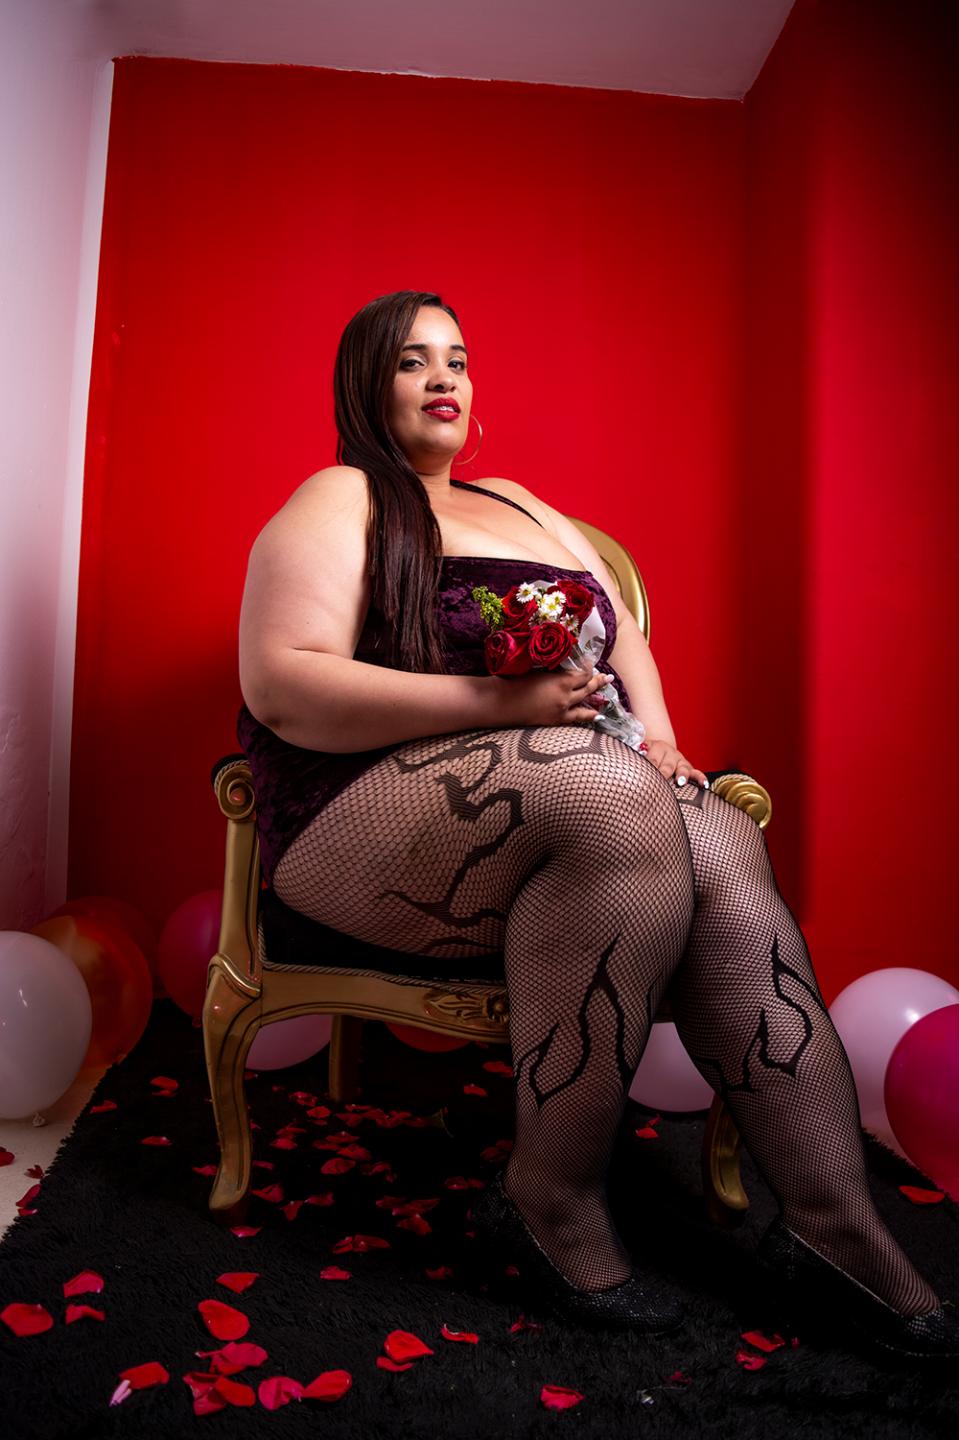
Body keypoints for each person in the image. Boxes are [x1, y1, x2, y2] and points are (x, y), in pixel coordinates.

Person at [236, 290, 957, 1356]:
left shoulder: (520, 503)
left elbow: (617, 639)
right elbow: (283, 685)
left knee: (715, 830)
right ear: (363, 386)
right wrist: (503, 704)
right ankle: (550, 1197)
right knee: (609, 790)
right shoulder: (340, 497)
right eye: (411, 361)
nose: (443, 378)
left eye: (457, 359)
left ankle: (831, 1225)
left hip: (555, 794)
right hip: (357, 813)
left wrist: (660, 740)